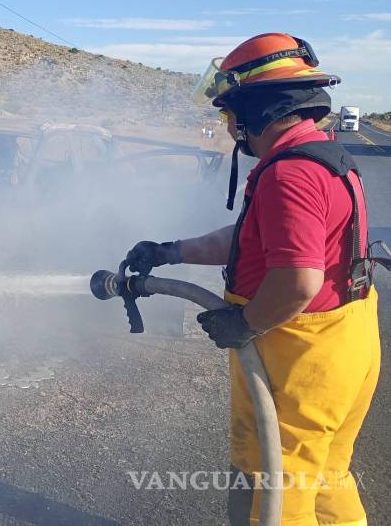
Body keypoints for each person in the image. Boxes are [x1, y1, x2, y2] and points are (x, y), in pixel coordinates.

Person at [125, 33, 380, 526]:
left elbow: (297, 281)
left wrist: (245, 322)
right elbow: (253, 239)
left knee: (278, 494)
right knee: (324, 477)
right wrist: (172, 252)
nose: (229, 125)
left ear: (258, 109)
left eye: (229, 113)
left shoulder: (290, 175)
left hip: (299, 356)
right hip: (343, 343)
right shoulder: (321, 157)